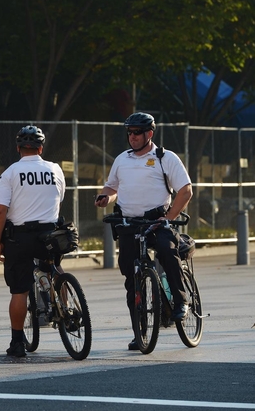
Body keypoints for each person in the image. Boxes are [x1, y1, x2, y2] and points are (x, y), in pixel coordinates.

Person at [95, 112, 193, 351]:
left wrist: (168, 218)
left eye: (137, 132)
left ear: (149, 133)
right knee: (131, 276)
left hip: (157, 221)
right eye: (129, 132)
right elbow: (112, 186)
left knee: (167, 252)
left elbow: (186, 190)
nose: (132, 137)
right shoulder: (122, 159)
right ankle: (139, 332)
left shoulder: (165, 157)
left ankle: (181, 302)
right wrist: (107, 196)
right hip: (129, 223)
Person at [0, 125, 66, 357]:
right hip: (50, 234)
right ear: (41, 148)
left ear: (18, 148)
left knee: (19, 291)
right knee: (54, 268)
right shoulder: (55, 169)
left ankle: (17, 342)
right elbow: (59, 198)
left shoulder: (10, 173)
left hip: (21, 237)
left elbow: (0, 211)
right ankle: (66, 308)